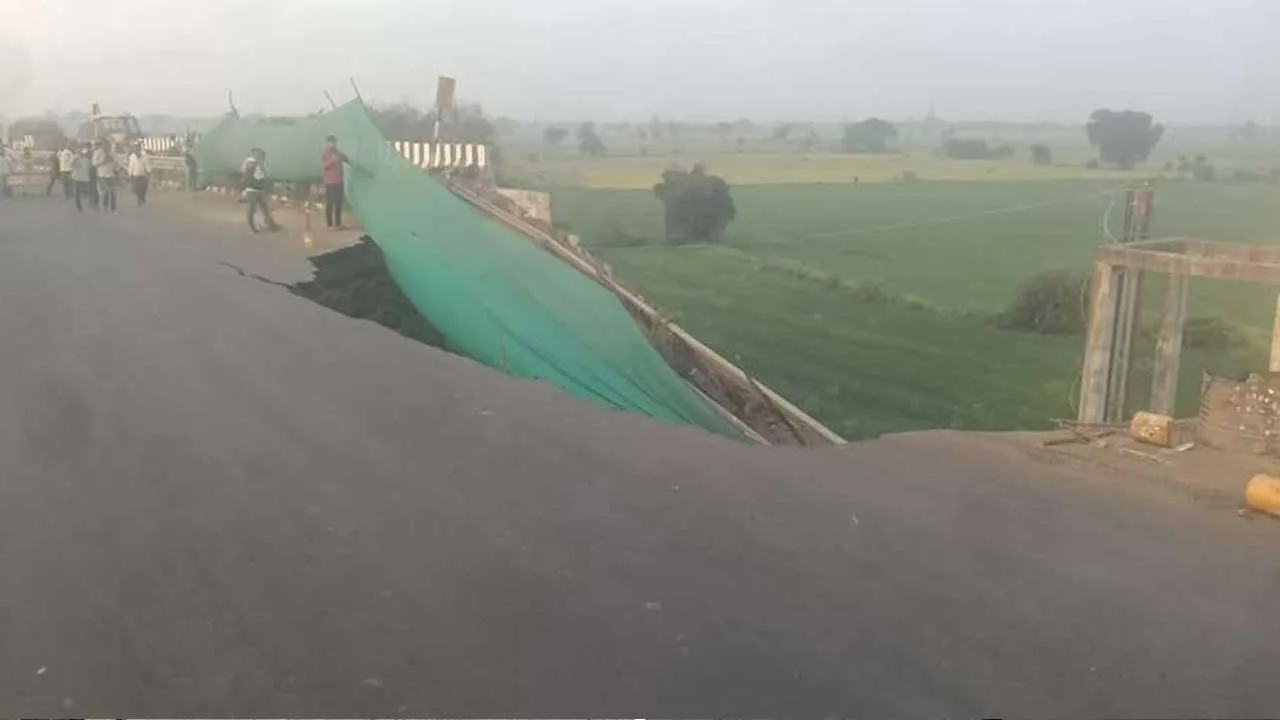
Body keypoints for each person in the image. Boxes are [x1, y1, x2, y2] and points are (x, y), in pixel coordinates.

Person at [241, 148, 279, 232]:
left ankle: (270, 225)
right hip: (253, 190)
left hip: (259, 189)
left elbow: (262, 176)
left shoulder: (258, 163)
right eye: (261, 155)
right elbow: (248, 176)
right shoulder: (251, 163)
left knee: (265, 209)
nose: (263, 157)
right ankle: (253, 227)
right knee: (252, 209)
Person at [320, 135, 349, 229]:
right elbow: (324, 166)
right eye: (331, 142)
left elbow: (346, 159)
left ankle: (338, 223)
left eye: (334, 142)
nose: (333, 144)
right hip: (330, 182)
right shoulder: (325, 153)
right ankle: (330, 224)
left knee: (338, 202)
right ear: (327, 143)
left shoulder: (337, 153)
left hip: (339, 181)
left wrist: (343, 157)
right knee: (330, 203)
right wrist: (332, 160)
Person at [92, 140, 118, 213]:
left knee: (113, 193)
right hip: (102, 174)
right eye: (105, 145)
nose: (107, 147)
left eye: (108, 145)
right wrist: (103, 162)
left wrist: (114, 163)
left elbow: (116, 163)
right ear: (103, 145)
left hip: (111, 174)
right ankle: (105, 207)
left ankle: (113, 209)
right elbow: (94, 164)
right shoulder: (98, 153)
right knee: (105, 192)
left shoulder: (112, 153)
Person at [70, 144, 95, 212]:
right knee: (79, 193)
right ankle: (79, 206)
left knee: (85, 192)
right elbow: (72, 165)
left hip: (84, 178)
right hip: (79, 177)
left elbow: (91, 168)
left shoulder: (89, 159)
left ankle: (84, 206)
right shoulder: (77, 158)